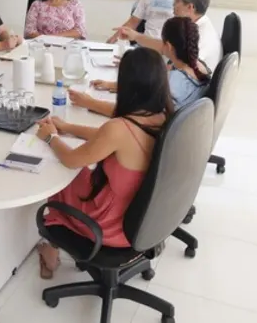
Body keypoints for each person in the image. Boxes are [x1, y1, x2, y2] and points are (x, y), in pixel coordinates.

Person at [32, 47, 175, 279]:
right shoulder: (165, 117)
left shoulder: (119, 129)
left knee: (63, 176)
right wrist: (68, 128)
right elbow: (106, 137)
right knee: (84, 174)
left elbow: (70, 159)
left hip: (111, 228)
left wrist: (50, 137)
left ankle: (51, 248)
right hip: (145, 221)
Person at [70, 16, 211, 116]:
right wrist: (113, 85)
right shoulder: (200, 67)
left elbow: (133, 114)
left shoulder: (171, 81)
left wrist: (90, 103)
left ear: (168, 46)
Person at [113, 0, 222, 68]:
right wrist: (135, 36)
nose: (173, 4)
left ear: (190, 7)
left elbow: (178, 70)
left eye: (177, 0)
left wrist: (136, 67)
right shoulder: (195, 24)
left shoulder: (200, 37)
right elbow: (165, 48)